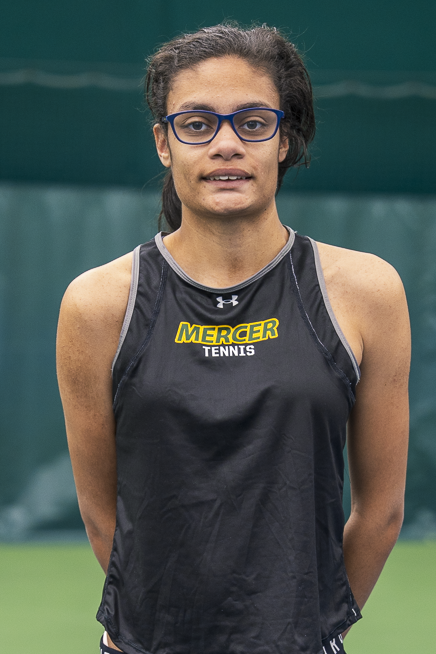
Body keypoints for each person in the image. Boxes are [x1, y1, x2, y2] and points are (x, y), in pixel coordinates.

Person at [56, 24, 410, 654]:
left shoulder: (366, 291)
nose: (226, 144)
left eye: (252, 122)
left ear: (284, 140)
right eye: (197, 124)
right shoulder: (98, 302)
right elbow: (99, 509)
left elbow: (380, 511)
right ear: (164, 143)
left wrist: (311, 630)